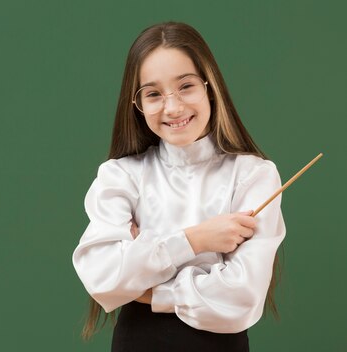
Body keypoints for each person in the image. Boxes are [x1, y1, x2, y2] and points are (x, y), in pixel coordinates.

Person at [72, 22, 286, 351]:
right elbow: (102, 277)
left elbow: (243, 298)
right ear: (137, 103)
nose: (172, 108)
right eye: (154, 94)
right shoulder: (120, 176)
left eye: (185, 86)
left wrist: (145, 286)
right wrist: (196, 240)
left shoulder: (252, 176)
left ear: (209, 86)